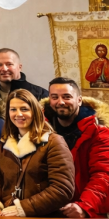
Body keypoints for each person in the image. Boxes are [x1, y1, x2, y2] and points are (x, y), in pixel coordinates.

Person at [0, 89, 74, 217]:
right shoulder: (5, 143)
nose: (18, 114)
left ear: (35, 111)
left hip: (42, 215)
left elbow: (62, 189)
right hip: (8, 214)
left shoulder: (53, 142)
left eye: (24, 109)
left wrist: (22, 209)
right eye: (13, 109)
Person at [44, 77, 109, 218]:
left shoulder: (98, 131)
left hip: (84, 210)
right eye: (54, 97)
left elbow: (103, 174)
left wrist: (84, 206)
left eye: (66, 97)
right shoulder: (39, 128)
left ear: (79, 100)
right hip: (46, 208)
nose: (60, 102)